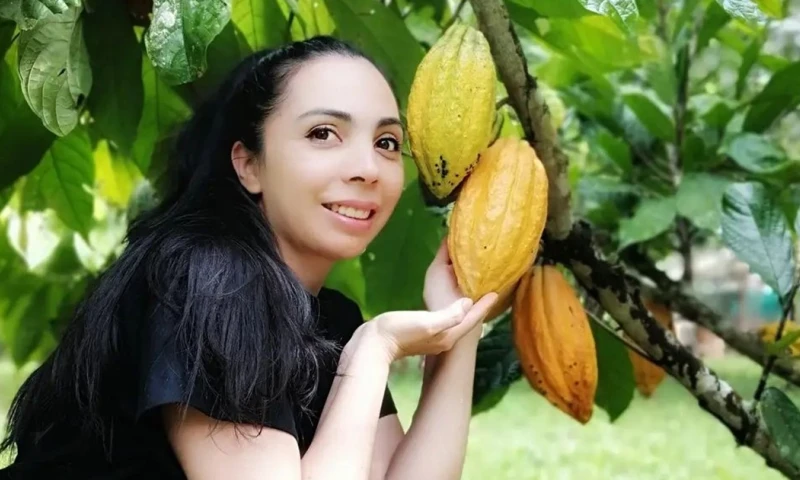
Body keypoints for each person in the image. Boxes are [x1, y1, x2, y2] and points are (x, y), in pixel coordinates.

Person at [0, 36, 498, 479]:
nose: (368, 168)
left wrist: (463, 321)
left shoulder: (331, 317)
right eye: (323, 133)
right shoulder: (206, 282)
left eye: (387, 143)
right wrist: (372, 350)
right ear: (249, 164)